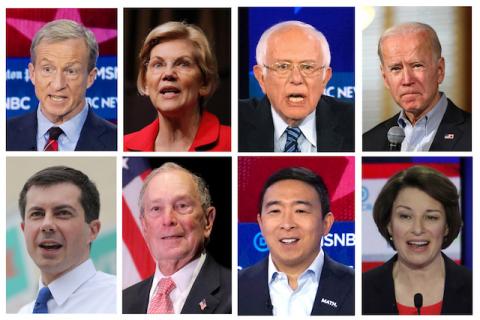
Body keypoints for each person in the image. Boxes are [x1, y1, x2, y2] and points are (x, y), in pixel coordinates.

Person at [238, 167, 354, 315]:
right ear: (261, 223)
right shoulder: (236, 288)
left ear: (326, 223)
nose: (287, 224)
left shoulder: (357, 287)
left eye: (300, 211)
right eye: (275, 211)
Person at [123, 162, 231, 313]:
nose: (168, 220)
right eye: (156, 209)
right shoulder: (122, 302)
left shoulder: (236, 293)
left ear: (208, 220)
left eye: (182, 206)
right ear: (144, 226)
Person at [362, 165, 471, 315]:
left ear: (446, 226)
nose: (418, 229)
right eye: (405, 216)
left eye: (431, 217)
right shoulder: (361, 290)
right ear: (389, 225)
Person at [239, 21, 354, 152]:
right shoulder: (235, 121)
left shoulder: (354, 123)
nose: (296, 79)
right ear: (261, 78)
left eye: (308, 67)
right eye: (283, 67)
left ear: (325, 78)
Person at [6, 19, 117, 151]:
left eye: (71, 71)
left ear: (90, 78)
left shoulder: (115, 142)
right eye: (47, 69)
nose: (58, 85)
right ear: (32, 73)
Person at [17, 166, 116, 313]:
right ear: (24, 229)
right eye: (37, 214)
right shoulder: (23, 313)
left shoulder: (116, 300)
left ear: (93, 230)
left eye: (62, 213)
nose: (47, 225)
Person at [363, 22, 471, 151]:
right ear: (385, 78)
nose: (407, 80)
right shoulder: (367, 142)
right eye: (396, 68)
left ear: (440, 70)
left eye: (417, 65)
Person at [124, 21, 231, 152]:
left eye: (183, 64)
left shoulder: (232, 142)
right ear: (145, 82)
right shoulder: (123, 146)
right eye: (158, 64)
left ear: (204, 82)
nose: (168, 74)